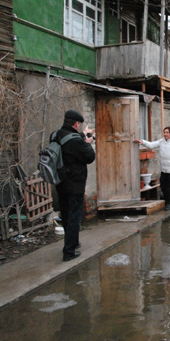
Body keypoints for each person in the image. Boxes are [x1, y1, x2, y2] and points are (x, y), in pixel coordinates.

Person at [54, 109, 96, 262]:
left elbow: (68, 144)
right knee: (74, 215)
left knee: (65, 214)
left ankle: (73, 242)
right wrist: (88, 142)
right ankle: (69, 252)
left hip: (60, 182)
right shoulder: (76, 141)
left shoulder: (56, 135)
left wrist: (83, 135)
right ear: (76, 123)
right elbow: (90, 157)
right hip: (75, 184)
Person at [135, 126, 170, 211]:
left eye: (167, 132)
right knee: (163, 185)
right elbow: (151, 145)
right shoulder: (161, 142)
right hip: (164, 169)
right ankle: (167, 201)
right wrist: (142, 142)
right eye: (164, 132)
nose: (165, 134)